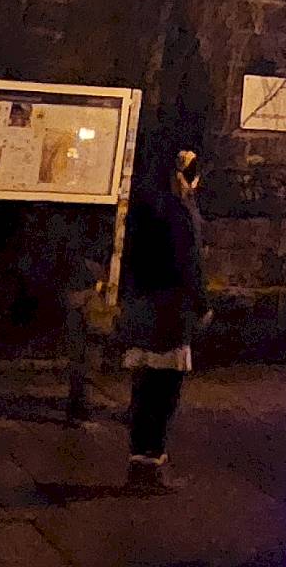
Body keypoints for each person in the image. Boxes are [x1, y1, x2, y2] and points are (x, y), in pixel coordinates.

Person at [119, 149, 209, 492]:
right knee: (164, 392)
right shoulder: (180, 212)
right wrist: (202, 304)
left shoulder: (143, 207)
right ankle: (152, 466)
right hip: (171, 313)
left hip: (143, 309)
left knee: (143, 390)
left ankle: (137, 462)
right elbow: (190, 263)